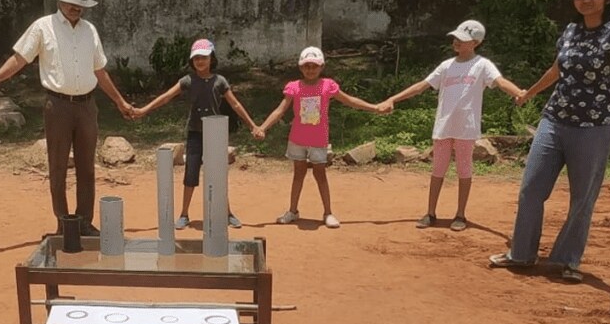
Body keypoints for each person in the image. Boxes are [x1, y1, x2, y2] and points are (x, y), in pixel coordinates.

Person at [0, 0, 134, 236]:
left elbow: (100, 71)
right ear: (60, 0)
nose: (75, 7)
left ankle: (83, 222)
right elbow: (19, 59)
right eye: (70, 2)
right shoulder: (42, 27)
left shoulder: (89, 30)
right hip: (58, 106)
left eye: (80, 4)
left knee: (86, 167)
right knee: (58, 166)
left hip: (86, 107)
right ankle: (63, 224)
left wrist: (119, 101)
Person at [489, 0, 610, 283]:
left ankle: (565, 261)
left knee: (582, 197)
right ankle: (520, 254)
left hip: (593, 125)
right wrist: (529, 93)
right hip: (554, 119)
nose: (587, 0)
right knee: (531, 188)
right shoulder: (571, 30)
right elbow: (557, 68)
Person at [382, 20, 523, 231]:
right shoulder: (446, 66)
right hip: (443, 126)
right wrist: (393, 98)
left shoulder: (482, 65)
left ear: (475, 43)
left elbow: (500, 81)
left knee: (464, 170)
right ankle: (430, 212)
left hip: (466, 128)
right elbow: (422, 86)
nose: (456, 42)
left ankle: (460, 215)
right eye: (456, 38)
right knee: (438, 169)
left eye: (462, 39)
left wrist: (519, 92)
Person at [253, 47, 388, 228]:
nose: (310, 69)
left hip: (318, 140)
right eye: (307, 66)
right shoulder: (294, 87)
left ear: (321, 66)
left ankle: (328, 213)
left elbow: (350, 100)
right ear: (301, 67)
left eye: (314, 66)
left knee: (320, 175)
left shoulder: (328, 85)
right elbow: (280, 110)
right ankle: (292, 211)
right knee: (298, 174)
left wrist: (374, 107)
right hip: (297, 139)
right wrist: (263, 127)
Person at [132, 39, 260, 229]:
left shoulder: (220, 81)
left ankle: (227, 213)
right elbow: (166, 96)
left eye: (204, 57)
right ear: (192, 61)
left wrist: (253, 126)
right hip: (194, 133)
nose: (200, 61)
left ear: (211, 58)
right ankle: (184, 214)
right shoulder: (188, 81)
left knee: (218, 175)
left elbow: (235, 104)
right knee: (190, 174)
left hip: (215, 133)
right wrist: (144, 110)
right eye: (196, 58)